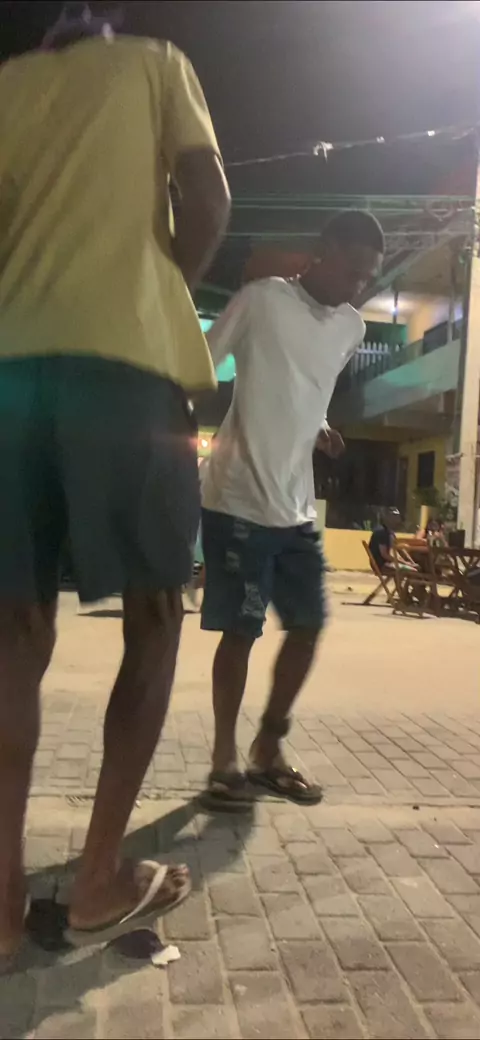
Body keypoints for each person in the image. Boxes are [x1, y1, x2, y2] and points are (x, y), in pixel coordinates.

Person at [0, 2, 230, 961]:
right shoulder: (154, 63)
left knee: (14, 632)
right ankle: (99, 878)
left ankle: (1, 908)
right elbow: (208, 198)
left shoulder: (8, 86)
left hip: (12, 371)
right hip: (125, 370)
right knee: (155, 613)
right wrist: (161, 286)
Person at [199, 210, 384, 811]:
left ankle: (268, 748)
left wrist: (321, 426)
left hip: (296, 507)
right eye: (352, 270)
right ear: (322, 251)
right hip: (238, 498)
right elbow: (202, 363)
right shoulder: (261, 301)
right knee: (241, 630)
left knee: (308, 626)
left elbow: (305, 385)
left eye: (368, 277)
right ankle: (223, 758)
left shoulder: (351, 326)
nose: (358, 285)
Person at [369, 508, 417, 574]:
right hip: (381, 564)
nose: (397, 519)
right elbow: (384, 555)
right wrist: (405, 563)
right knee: (413, 571)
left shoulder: (390, 532)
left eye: (397, 516)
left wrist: (411, 562)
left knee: (414, 568)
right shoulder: (381, 532)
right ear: (387, 517)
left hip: (388, 562)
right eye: (393, 516)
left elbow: (399, 549)